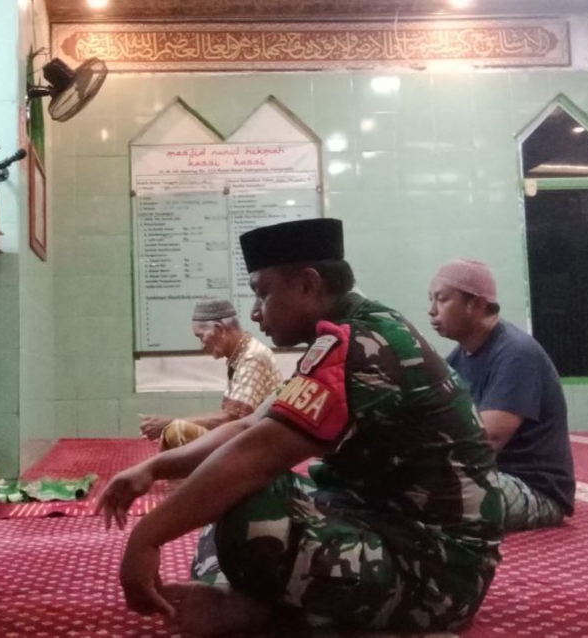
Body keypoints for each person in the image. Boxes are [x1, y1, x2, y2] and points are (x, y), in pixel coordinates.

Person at [97, 219, 504, 635]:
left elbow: (258, 455)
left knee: (243, 505)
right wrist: (154, 468)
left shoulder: (364, 345)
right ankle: (245, 601)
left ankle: (257, 610)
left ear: (309, 284)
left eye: (263, 292)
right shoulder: (347, 334)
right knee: (219, 488)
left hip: (438, 570)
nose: (255, 312)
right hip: (378, 521)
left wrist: (147, 537)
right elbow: (248, 427)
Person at [428, 258, 575, 532]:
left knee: (421, 490)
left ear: (476, 304)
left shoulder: (517, 354)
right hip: (485, 475)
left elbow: (486, 440)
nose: (432, 310)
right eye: (432, 300)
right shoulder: (457, 359)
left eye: (442, 299)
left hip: (533, 489)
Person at [140, 299, 283, 450]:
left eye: (201, 336)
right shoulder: (243, 355)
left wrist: (170, 423)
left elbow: (232, 420)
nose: (202, 346)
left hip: (261, 448)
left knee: (177, 431)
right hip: (251, 440)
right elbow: (232, 418)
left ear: (219, 329)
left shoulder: (253, 357)